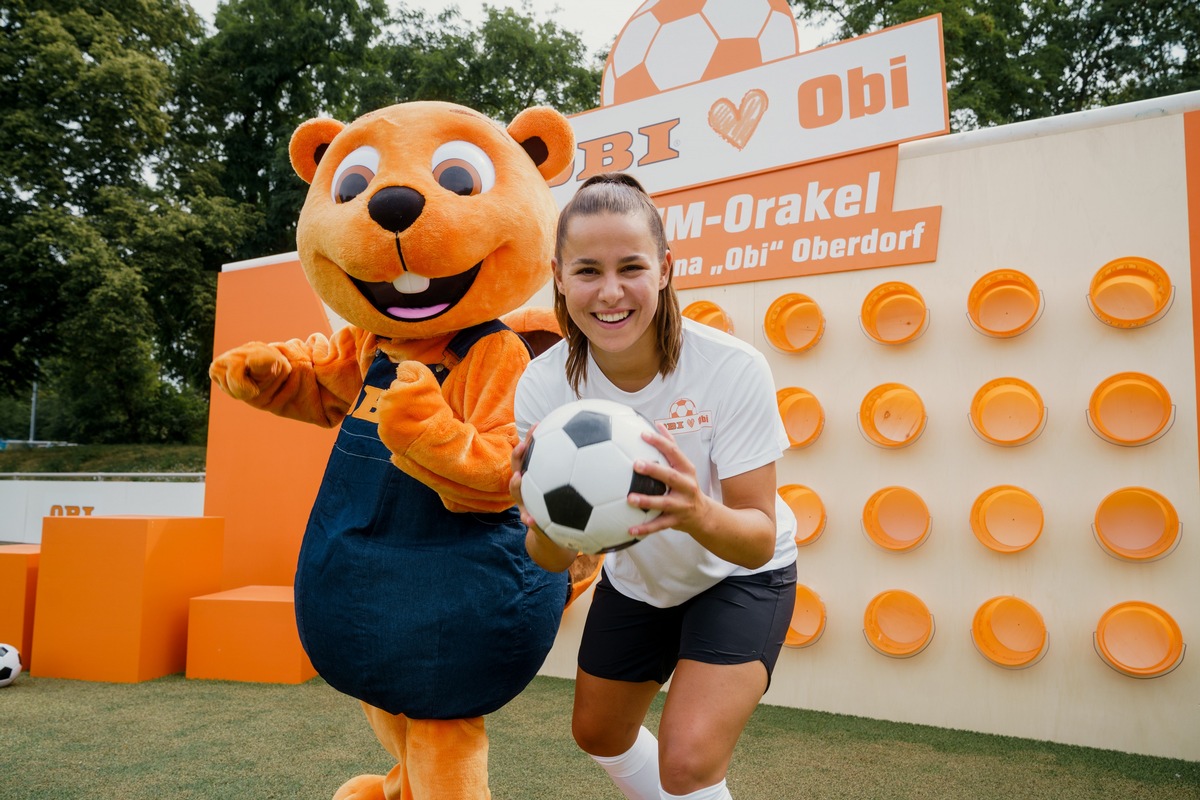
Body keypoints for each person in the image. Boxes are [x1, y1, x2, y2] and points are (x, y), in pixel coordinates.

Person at [509, 172, 798, 800]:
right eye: (587, 270)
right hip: (641, 579)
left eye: (630, 267)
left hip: (742, 575)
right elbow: (546, 558)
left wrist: (695, 510)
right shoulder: (542, 386)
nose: (610, 292)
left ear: (665, 269)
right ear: (557, 275)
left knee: (687, 761)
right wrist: (545, 525)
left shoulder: (730, 368)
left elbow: (755, 537)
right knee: (598, 732)